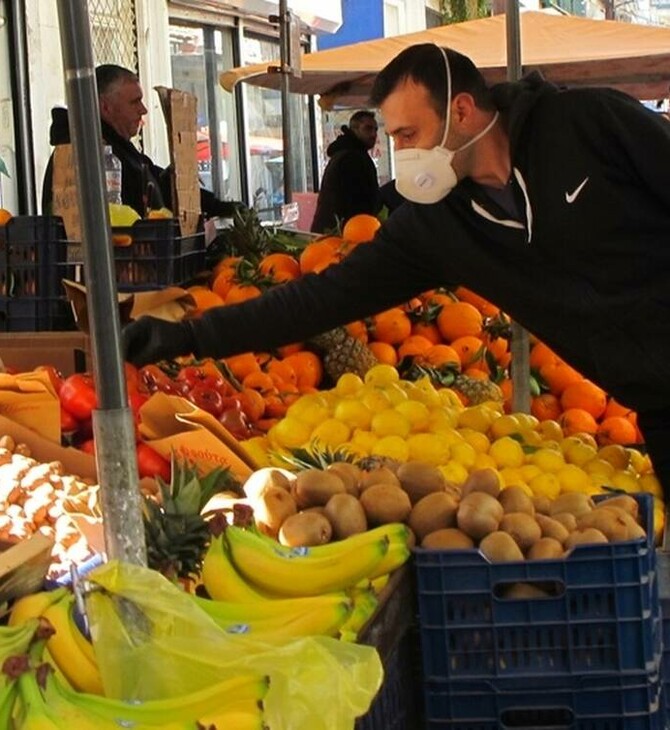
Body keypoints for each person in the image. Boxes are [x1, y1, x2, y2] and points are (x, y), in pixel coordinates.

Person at [123, 43, 670, 497]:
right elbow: (320, 298)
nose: (401, 154)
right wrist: (188, 335)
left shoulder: (585, 124)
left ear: (460, 111)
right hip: (657, 403)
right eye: (392, 140)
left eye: (408, 135)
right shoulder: (438, 227)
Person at [42, 64, 243, 218]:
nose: (144, 110)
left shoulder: (124, 151)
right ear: (105, 108)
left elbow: (158, 183)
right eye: (134, 102)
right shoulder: (87, 153)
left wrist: (222, 207)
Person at [310, 110, 380, 233]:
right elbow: (357, 202)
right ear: (354, 129)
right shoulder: (352, 157)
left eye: (375, 129)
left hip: (335, 231)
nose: (373, 134)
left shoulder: (347, 153)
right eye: (368, 128)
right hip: (341, 234)